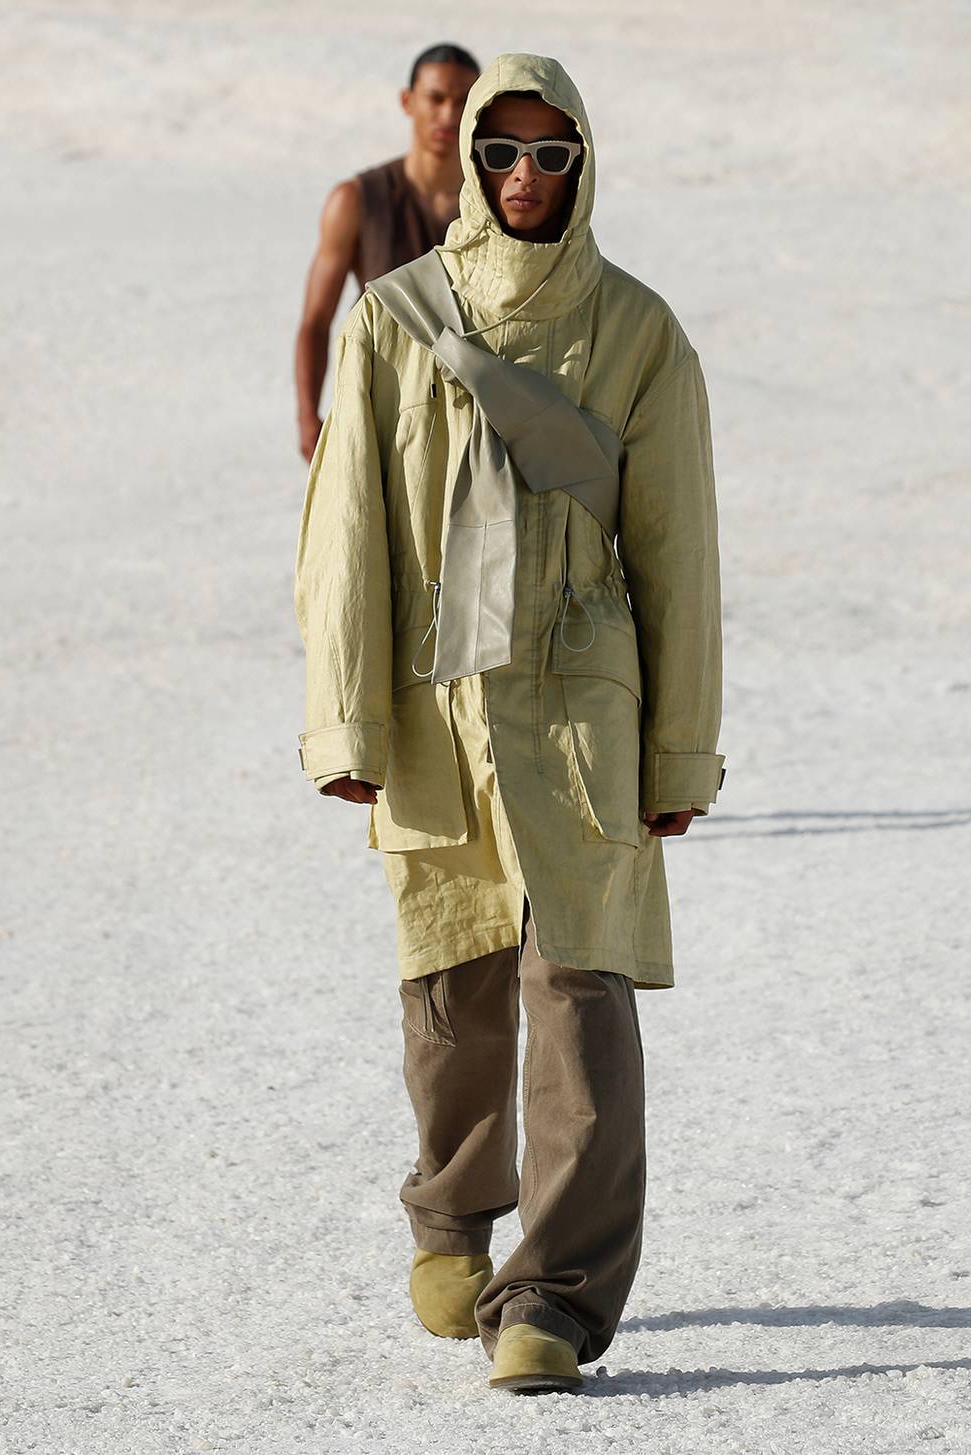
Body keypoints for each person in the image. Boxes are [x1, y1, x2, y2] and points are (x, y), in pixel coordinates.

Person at [294, 53, 725, 1394]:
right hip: (435, 702)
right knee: (455, 989)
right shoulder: (392, 320)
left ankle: (553, 1291)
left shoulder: (641, 332)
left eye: (551, 155)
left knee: (578, 990)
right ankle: (450, 1216)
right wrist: (347, 723)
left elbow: (678, 556)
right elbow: (349, 534)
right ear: (469, 161)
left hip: (580, 705)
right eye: (503, 154)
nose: (526, 178)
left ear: (585, 164)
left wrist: (678, 749)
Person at [293, 43, 480, 460]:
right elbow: (315, 320)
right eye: (436, 98)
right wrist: (308, 416)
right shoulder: (357, 200)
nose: (449, 115)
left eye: (463, 101)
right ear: (407, 101)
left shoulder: (495, 201)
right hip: (382, 412)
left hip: (475, 420)